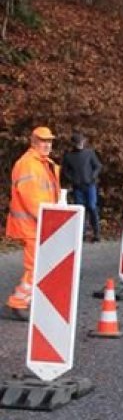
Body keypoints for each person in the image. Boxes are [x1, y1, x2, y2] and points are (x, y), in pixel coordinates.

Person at [4, 126, 61, 321]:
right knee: (35, 266)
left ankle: (28, 301)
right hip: (32, 225)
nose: (46, 145)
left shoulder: (43, 163)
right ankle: (18, 303)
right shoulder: (29, 164)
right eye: (42, 141)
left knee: (39, 264)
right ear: (33, 142)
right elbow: (31, 198)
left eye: (49, 141)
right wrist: (48, 220)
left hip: (37, 224)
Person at [61, 131, 103, 242]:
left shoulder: (89, 153)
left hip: (90, 185)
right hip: (77, 187)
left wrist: (93, 177)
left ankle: (96, 233)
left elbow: (98, 166)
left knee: (92, 207)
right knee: (80, 209)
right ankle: (82, 233)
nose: (80, 144)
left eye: (81, 142)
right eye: (78, 142)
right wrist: (73, 179)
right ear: (74, 144)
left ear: (83, 142)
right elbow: (65, 171)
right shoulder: (69, 156)